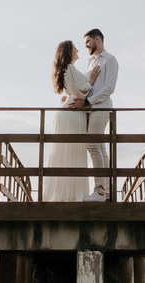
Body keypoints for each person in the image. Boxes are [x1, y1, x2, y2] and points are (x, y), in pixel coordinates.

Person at [69, 28, 118, 202]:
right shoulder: (89, 62)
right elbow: (86, 85)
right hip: (89, 109)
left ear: (98, 39)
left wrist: (89, 102)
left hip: (101, 108)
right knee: (100, 148)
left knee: (92, 145)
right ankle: (107, 191)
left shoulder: (110, 60)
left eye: (88, 42)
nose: (86, 46)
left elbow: (109, 88)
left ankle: (98, 191)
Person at [42, 39, 91, 201]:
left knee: (65, 152)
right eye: (75, 49)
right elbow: (80, 92)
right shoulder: (70, 68)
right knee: (74, 151)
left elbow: (73, 90)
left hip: (68, 111)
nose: (78, 51)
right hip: (73, 112)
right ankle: (72, 195)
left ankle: (65, 193)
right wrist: (92, 80)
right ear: (69, 52)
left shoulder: (66, 70)